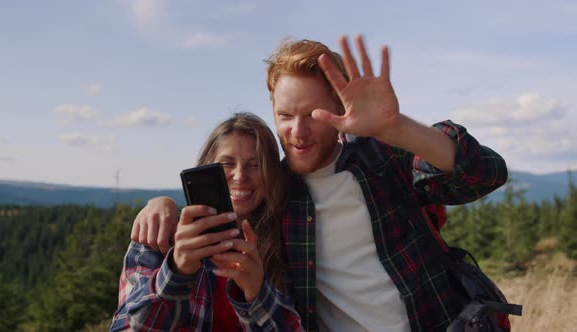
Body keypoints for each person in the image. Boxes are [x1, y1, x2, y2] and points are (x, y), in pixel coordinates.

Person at [129, 34, 508, 331]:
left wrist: (398, 128)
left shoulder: (384, 158)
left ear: (342, 109)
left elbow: (484, 174)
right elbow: (227, 201)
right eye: (285, 115)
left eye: (313, 114)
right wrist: (162, 203)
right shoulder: (277, 191)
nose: (298, 132)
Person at [110, 112, 303, 331]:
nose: (240, 176)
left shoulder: (282, 242)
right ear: (205, 167)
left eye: (255, 164)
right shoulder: (161, 234)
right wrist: (177, 270)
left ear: (272, 175)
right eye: (227, 163)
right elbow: (126, 327)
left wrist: (257, 292)